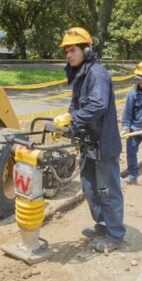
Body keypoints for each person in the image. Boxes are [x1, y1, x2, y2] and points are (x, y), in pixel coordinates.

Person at [52, 27, 124, 253]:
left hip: (103, 144)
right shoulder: (81, 75)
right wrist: (68, 125)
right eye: (67, 52)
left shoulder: (97, 73)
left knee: (107, 190)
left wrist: (72, 117)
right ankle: (103, 225)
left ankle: (115, 235)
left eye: (73, 50)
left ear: (87, 50)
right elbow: (79, 107)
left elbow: (98, 105)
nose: (69, 55)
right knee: (90, 189)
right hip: (89, 144)